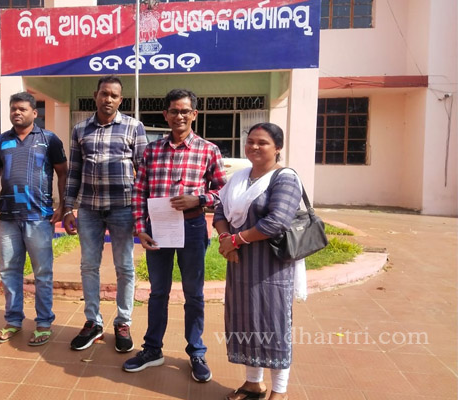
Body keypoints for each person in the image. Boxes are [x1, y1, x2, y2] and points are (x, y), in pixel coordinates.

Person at [124, 89, 227, 383]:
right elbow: (139, 191)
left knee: (194, 293)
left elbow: (223, 191)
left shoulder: (208, 150)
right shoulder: (152, 150)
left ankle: (196, 351)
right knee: (158, 292)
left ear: (194, 114)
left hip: (192, 228)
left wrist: (199, 199)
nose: (179, 116)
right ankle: (152, 349)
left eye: (185, 111)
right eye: (173, 111)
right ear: (165, 115)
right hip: (158, 229)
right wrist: (140, 227)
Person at [213, 122, 305, 400]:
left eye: (262, 142)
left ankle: (280, 391)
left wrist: (236, 240)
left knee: (272, 324)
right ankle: (254, 383)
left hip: (271, 267)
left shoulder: (285, 178)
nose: (254, 146)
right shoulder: (239, 178)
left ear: (277, 148)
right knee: (245, 322)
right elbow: (220, 208)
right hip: (240, 264)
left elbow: (277, 221)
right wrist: (225, 238)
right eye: (250, 141)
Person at [63, 75, 147, 353]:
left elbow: (143, 172)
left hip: (122, 208)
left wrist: (142, 213)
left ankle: (123, 322)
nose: (108, 99)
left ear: (120, 100)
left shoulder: (133, 127)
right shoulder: (80, 129)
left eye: (114, 95)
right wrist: (68, 207)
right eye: (104, 94)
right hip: (88, 209)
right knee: (89, 266)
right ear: (95, 95)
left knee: (125, 267)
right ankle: (93, 322)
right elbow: (74, 172)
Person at [0, 92, 67, 347]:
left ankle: (44, 323)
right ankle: (13, 320)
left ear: (34, 113)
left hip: (39, 217)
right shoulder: (1, 141)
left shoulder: (49, 140)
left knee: (43, 272)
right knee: (9, 271)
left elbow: (63, 174)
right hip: (8, 217)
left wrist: (63, 206)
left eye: (22, 109)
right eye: (13, 109)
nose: (17, 112)